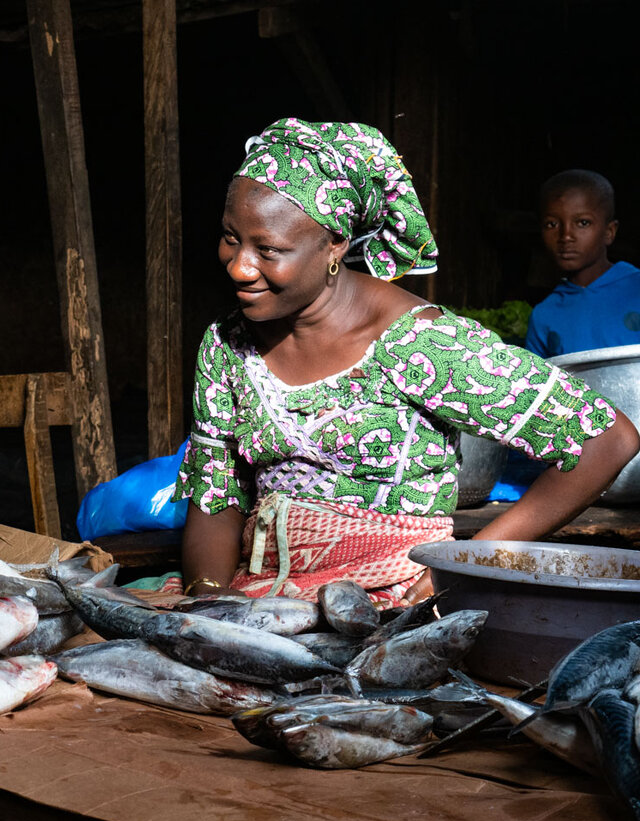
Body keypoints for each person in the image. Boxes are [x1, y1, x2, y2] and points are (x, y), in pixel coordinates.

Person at [175, 118, 639, 608]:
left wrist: (471, 563)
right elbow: (216, 495)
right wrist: (210, 602)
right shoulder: (228, 344)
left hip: (392, 601)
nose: (239, 266)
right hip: (261, 597)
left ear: (335, 244)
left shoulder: (419, 343)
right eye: (231, 238)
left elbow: (606, 440)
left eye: (269, 250)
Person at [525, 169, 640, 358]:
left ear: (609, 231)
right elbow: (535, 384)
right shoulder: (544, 315)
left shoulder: (636, 288)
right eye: (552, 224)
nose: (566, 236)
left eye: (583, 223)